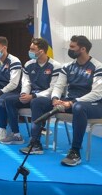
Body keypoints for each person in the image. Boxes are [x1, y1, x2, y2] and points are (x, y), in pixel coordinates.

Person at [20, 35, 102, 167]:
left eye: (72, 47)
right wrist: (55, 98)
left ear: (83, 49)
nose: (69, 49)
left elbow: (97, 94)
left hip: (94, 105)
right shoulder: (67, 66)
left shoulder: (97, 66)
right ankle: (35, 143)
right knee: (38, 102)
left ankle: (75, 152)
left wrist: (72, 102)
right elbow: (58, 85)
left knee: (78, 107)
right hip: (70, 101)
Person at [0, 38, 61, 145]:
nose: (29, 51)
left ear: (41, 51)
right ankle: (16, 135)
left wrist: (33, 96)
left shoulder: (55, 66)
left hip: (47, 99)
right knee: (8, 100)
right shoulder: (28, 64)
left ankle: (35, 141)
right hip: (31, 96)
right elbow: (26, 83)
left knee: (36, 102)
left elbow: (54, 89)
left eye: (32, 49)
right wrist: (24, 94)